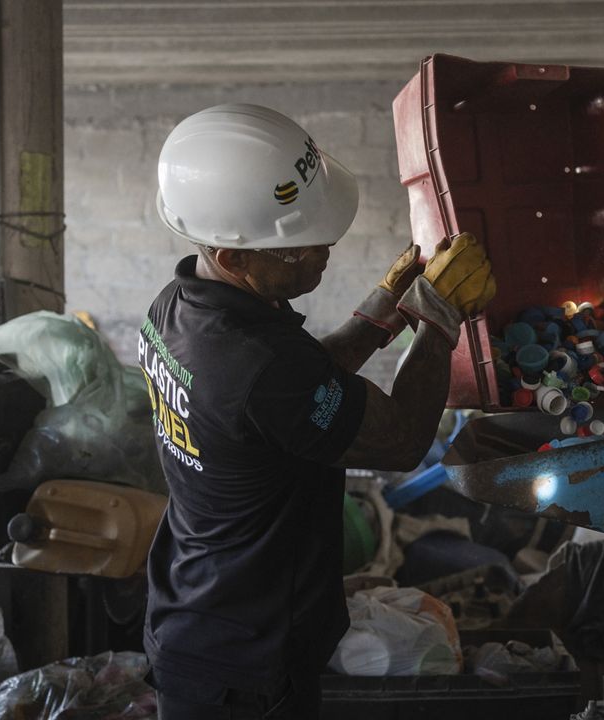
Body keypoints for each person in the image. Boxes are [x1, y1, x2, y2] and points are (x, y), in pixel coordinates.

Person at [137, 103, 496, 719]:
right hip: (247, 665)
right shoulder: (257, 367)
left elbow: (297, 390)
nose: (324, 249)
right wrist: (437, 320)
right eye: (297, 246)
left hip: (202, 618)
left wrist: (380, 315)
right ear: (235, 257)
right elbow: (402, 439)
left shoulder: (183, 305)